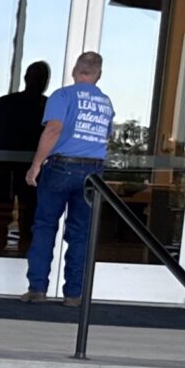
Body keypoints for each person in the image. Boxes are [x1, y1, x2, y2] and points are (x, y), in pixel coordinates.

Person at [24, 50, 116, 303]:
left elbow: (53, 129)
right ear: (98, 75)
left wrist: (36, 165)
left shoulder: (63, 95)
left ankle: (37, 289)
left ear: (75, 71)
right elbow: (105, 136)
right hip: (93, 172)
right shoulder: (105, 103)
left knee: (45, 226)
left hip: (61, 167)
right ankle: (74, 295)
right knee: (80, 233)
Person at [0, 60, 50, 258]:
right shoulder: (47, 106)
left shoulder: (5, 103)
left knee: (2, 214)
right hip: (27, 167)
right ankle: (23, 257)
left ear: (25, 78)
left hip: (8, 165)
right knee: (26, 216)